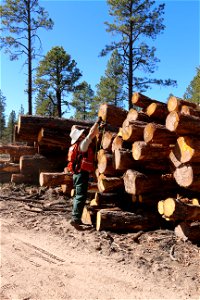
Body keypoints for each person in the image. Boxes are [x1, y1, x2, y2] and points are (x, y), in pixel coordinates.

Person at [66, 117, 103, 229]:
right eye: (82, 134)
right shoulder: (82, 145)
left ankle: (75, 217)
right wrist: (97, 122)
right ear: (79, 137)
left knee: (78, 196)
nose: (83, 135)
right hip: (81, 174)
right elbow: (92, 133)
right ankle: (76, 219)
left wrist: (99, 128)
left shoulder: (74, 146)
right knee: (80, 196)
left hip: (77, 173)